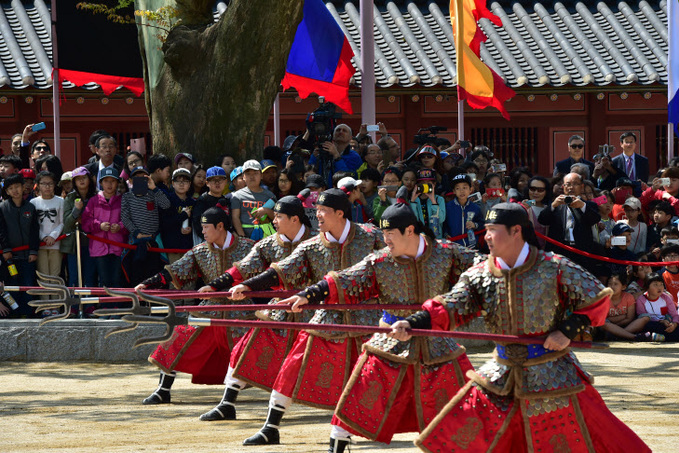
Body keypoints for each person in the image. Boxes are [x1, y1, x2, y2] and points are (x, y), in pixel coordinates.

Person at [390, 202, 651, 453]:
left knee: (593, 435)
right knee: (460, 434)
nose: (487, 237)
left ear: (516, 231)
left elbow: (597, 298)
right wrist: (413, 323)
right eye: (487, 230)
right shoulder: (479, 273)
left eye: (493, 231)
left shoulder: (553, 266)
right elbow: (450, 306)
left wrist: (567, 331)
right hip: (500, 371)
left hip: (551, 370)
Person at [281, 187, 482, 451]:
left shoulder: (447, 253)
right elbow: (347, 278)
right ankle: (336, 448)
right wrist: (309, 294)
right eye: (383, 233)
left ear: (409, 231)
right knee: (356, 396)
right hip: (391, 340)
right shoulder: (380, 261)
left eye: (389, 234)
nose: (384, 240)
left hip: (437, 341)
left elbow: (483, 269)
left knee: (466, 405)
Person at [228, 189, 384, 446]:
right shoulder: (313, 244)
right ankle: (270, 427)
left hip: (366, 320)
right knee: (293, 367)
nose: (317, 215)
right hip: (325, 317)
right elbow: (282, 269)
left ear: (340, 213)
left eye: (322, 210)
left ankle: (352, 432)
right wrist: (248, 286)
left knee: (373, 378)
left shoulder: (372, 237)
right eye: (317, 210)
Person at [196, 196, 313, 421]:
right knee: (246, 349)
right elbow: (243, 268)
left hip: (311, 311)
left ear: (295, 219)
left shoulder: (315, 242)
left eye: (278, 216)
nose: (274, 221)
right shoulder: (268, 243)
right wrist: (215, 285)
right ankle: (227, 403)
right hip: (278, 311)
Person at [135, 206, 255, 404]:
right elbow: (175, 270)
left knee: (260, 347)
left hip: (242, 310)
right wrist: (148, 284)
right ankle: (163, 389)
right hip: (210, 308)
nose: (203, 232)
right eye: (202, 227)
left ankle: (280, 393)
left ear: (220, 226)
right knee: (177, 338)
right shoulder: (199, 251)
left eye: (206, 227)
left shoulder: (248, 247)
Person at [538, 172, 601, 272]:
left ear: (582, 186)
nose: (571, 187)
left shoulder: (588, 205)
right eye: (568, 184)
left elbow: (595, 219)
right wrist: (553, 206)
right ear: (563, 186)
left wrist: (582, 206)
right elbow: (542, 220)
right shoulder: (556, 204)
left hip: (581, 253)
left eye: (575, 184)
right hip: (558, 252)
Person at [120, 166, 171, 286]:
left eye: (143, 177)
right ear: (131, 181)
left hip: (154, 242)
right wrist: (137, 233)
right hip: (136, 243)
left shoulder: (153, 194)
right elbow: (125, 218)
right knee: (137, 275)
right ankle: (138, 302)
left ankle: (153, 303)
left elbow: (166, 205)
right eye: (136, 178)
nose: (140, 180)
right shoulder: (126, 197)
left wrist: (154, 188)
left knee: (153, 275)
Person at [81, 167, 128, 289]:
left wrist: (120, 227)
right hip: (99, 248)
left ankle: (117, 306)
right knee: (104, 280)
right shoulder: (94, 201)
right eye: (106, 181)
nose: (109, 184)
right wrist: (99, 225)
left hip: (118, 247)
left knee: (117, 279)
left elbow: (129, 221)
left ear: (118, 183)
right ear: (100, 183)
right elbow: (86, 223)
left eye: (112, 181)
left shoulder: (123, 200)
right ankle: (105, 306)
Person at [0, 174, 39, 317]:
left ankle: (29, 313)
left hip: (27, 255)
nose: (15, 190)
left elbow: (35, 231)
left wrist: (34, 251)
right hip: (10, 257)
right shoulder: (3, 207)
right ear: (7, 192)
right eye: (11, 188)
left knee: (28, 284)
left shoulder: (30, 207)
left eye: (17, 186)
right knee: (12, 286)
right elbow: (1, 230)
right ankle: (15, 314)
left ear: (23, 187)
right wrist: (6, 249)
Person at [60, 167, 98, 291]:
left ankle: (90, 305)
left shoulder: (97, 196)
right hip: (74, 244)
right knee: (74, 278)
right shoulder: (70, 198)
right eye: (78, 179)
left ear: (89, 179)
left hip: (93, 243)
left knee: (91, 276)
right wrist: (76, 210)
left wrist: (85, 220)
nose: (81, 181)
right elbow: (67, 223)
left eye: (84, 178)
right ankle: (75, 306)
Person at [30, 172, 64, 299]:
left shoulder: (61, 201)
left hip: (56, 243)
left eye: (50, 183)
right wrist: (43, 237)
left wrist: (53, 236)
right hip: (40, 244)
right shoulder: (33, 202)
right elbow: (34, 225)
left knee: (55, 275)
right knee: (43, 275)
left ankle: (55, 303)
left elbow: (61, 222)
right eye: (44, 184)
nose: (47, 187)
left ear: (55, 185)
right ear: (38, 186)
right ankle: (45, 305)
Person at [230, 160, 276, 239]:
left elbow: (276, 217)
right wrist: (242, 237)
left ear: (261, 176)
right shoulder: (237, 196)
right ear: (244, 177)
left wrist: (266, 211)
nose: (252, 176)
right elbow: (235, 217)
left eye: (255, 173)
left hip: (266, 237)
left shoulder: (270, 195)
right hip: (245, 238)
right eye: (248, 174)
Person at [309, 123, 362, 188]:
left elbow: (348, 177)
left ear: (350, 138)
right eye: (338, 130)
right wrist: (314, 156)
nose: (340, 132)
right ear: (333, 136)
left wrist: (336, 156)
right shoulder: (324, 152)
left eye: (344, 131)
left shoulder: (354, 156)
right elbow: (310, 171)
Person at [160, 168, 195, 264]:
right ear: (173, 183)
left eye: (185, 181)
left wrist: (191, 228)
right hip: (172, 247)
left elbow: (196, 222)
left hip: (189, 246)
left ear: (190, 184)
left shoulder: (193, 202)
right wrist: (183, 216)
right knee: (174, 275)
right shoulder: (167, 200)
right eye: (178, 181)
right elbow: (165, 223)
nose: (181, 184)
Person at [635, 272, 679, 342]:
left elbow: (674, 315)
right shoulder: (641, 300)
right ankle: (665, 337)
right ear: (647, 287)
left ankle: (661, 337)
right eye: (655, 285)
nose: (659, 287)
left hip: (667, 323)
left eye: (661, 284)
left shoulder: (666, 298)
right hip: (653, 323)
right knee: (649, 325)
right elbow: (642, 317)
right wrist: (661, 321)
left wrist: (674, 325)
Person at [444, 174, 483, 247]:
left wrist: (474, 225)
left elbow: (482, 224)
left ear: (470, 189)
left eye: (464, 187)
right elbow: (444, 224)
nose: (461, 191)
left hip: (472, 246)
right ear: (454, 191)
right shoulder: (448, 207)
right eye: (458, 188)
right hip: (454, 245)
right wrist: (446, 234)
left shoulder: (475, 208)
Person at [192, 166, 228, 243]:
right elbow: (197, 224)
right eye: (214, 180)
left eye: (221, 179)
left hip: (224, 242)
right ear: (207, 183)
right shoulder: (202, 200)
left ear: (225, 182)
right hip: (207, 242)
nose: (217, 183)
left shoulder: (226, 201)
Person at [410, 168, 445, 239]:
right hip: (420, 238)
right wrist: (412, 201)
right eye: (422, 183)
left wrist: (433, 201)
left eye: (428, 183)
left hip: (436, 238)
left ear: (434, 184)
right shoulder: (414, 200)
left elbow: (441, 219)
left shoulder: (439, 199)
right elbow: (412, 220)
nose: (425, 185)